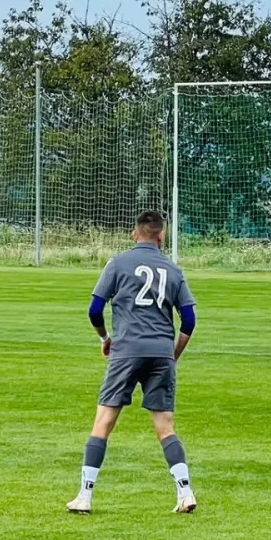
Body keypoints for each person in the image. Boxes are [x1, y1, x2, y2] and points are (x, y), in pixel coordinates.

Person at [67, 211, 198, 514]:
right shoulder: (173, 270)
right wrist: (172, 355)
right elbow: (189, 320)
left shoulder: (117, 263)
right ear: (161, 236)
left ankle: (85, 496)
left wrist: (105, 338)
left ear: (134, 233)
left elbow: (94, 310)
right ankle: (185, 492)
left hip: (126, 350)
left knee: (103, 422)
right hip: (161, 352)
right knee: (165, 426)